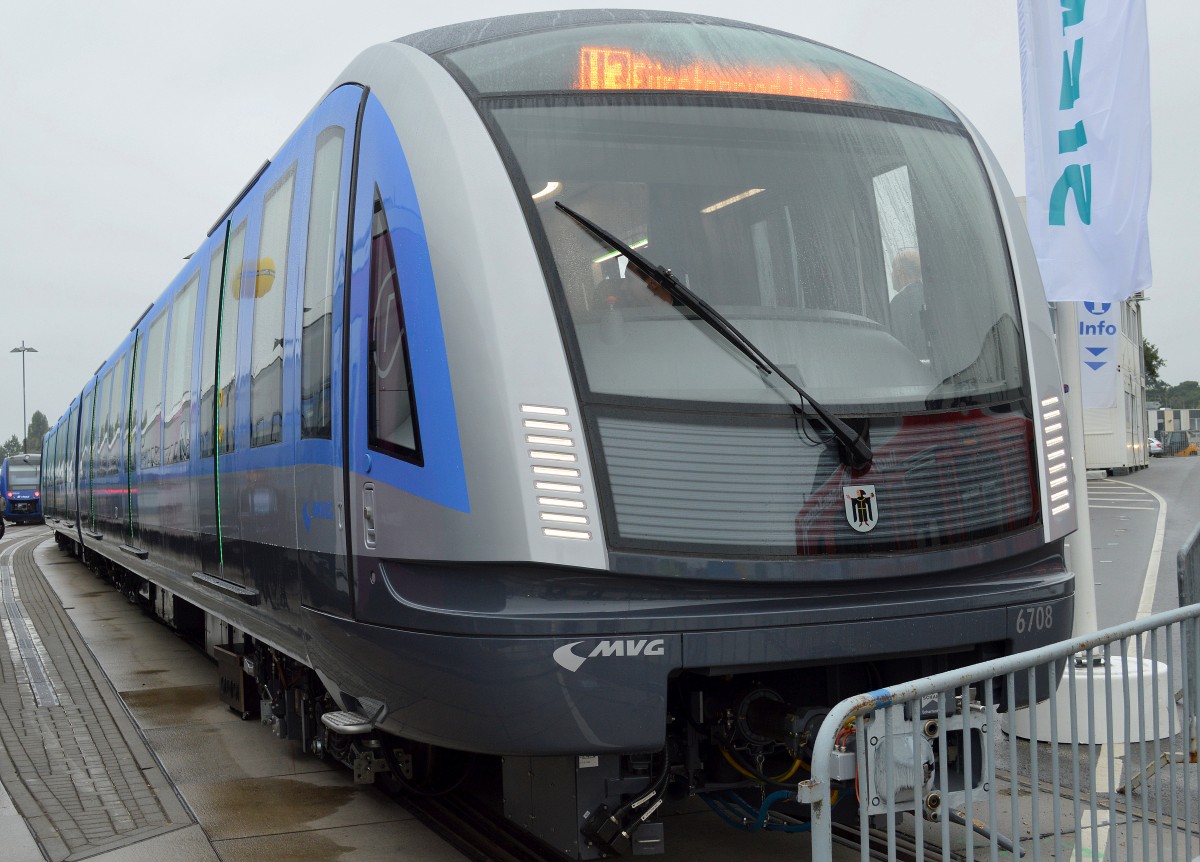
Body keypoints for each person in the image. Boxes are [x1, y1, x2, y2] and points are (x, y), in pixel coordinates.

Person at [889, 248, 926, 357]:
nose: (891, 275)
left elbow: (898, 344)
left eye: (892, 270)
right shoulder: (929, 296)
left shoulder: (898, 304)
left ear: (900, 273)